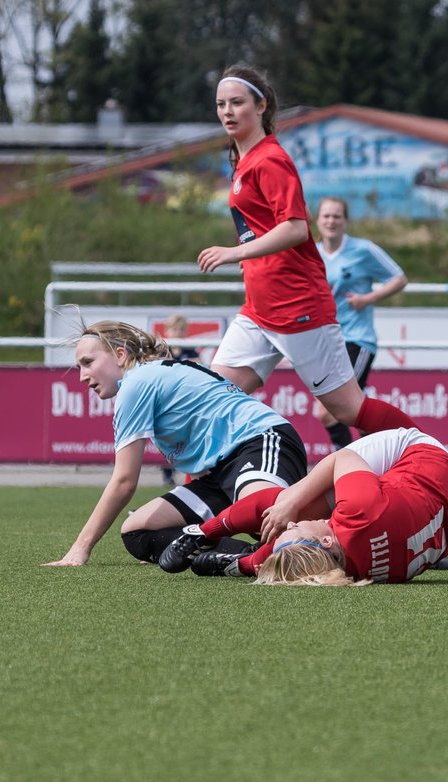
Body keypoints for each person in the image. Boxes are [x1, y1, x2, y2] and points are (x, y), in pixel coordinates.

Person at [196, 64, 416, 443]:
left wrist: (236, 253)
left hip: (298, 308)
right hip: (259, 310)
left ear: (261, 105)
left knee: (347, 409)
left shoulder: (270, 159)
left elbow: (296, 228)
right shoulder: (243, 161)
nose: (227, 112)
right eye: (220, 104)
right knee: (210, 402)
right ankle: (193, 503)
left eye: (237, 102)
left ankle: (435, 456)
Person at [44, 320, 307, 568]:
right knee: (137, 531)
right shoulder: (152, 376)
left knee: (276, 528)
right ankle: (243, 555)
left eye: (87, 362)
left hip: (262, 442)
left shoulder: (135, 384)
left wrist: (81, 548)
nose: (82, 376)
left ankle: (325, 538)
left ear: (121, 355)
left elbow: (124, 481)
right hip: (221, 473)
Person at [159, 428, 448, 585]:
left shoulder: (351, 569)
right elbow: (340, 460)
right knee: (287, 506)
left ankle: (223, 550)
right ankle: (215, 539)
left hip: (446, 525)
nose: (290, 526)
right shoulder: (359, 514)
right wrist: (291, 503)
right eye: (294, 531)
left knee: (287, 512)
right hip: (422, 457)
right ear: (326, 540)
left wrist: (290, 504)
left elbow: (295, 559)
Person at [313, 197, 409, 449]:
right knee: (352, 412)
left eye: (336, 216)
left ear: (345, 220)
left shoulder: (362, 250)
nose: (331, 221)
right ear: (317, 220)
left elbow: (399, 277)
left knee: (330, 410)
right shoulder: (311, 253)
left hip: (357, 339)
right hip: (326, 343)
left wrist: (368, 298)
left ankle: (351, 463)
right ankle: (374, 458)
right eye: (326, 216)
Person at [160, 313, 200, 487]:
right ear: (167, 331)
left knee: (187, 439)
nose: (177, 332)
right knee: (166, 438)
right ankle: (167, 473)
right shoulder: (162, 351)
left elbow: (198, 369)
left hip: (185, 401)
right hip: (167, 400)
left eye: (181, 329)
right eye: (174, 328)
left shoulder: (191, 351)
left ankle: (191, 475)